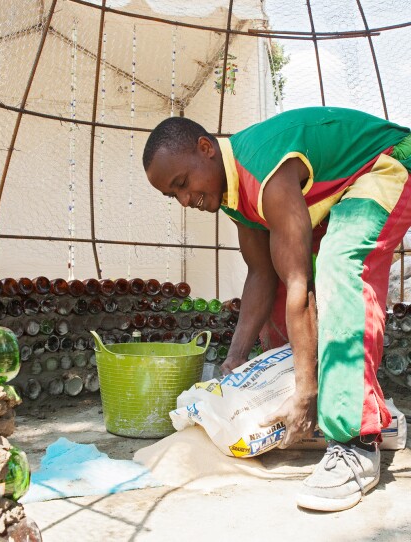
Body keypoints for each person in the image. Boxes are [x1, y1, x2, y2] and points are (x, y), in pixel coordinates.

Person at [143, 106, 411, 513]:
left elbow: (301, 281)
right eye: (172, 195)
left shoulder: (265, 169)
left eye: (182, 183)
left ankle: (355, 442)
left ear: (205, 149)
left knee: (341, 264)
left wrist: (306, 390)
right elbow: (261, 276)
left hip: (389, 162)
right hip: (339, 190)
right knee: (283, 286)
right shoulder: (235, 197)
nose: (184, 200)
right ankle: (325, 405)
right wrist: (234, 358)